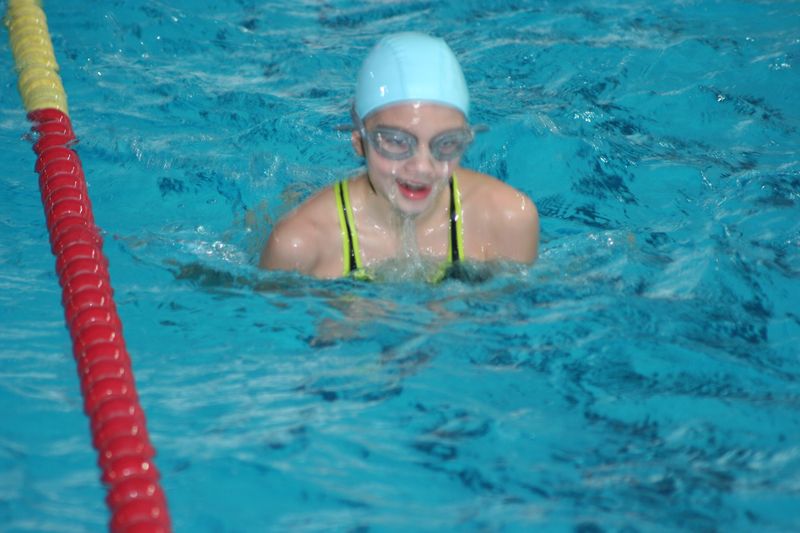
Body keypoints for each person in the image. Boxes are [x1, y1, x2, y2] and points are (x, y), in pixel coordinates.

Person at [260, 32, 539, 281]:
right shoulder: (300, 244)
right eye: (396, 141)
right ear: (359, 142)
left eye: (445, 143)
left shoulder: (508, 219)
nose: (422, 167)